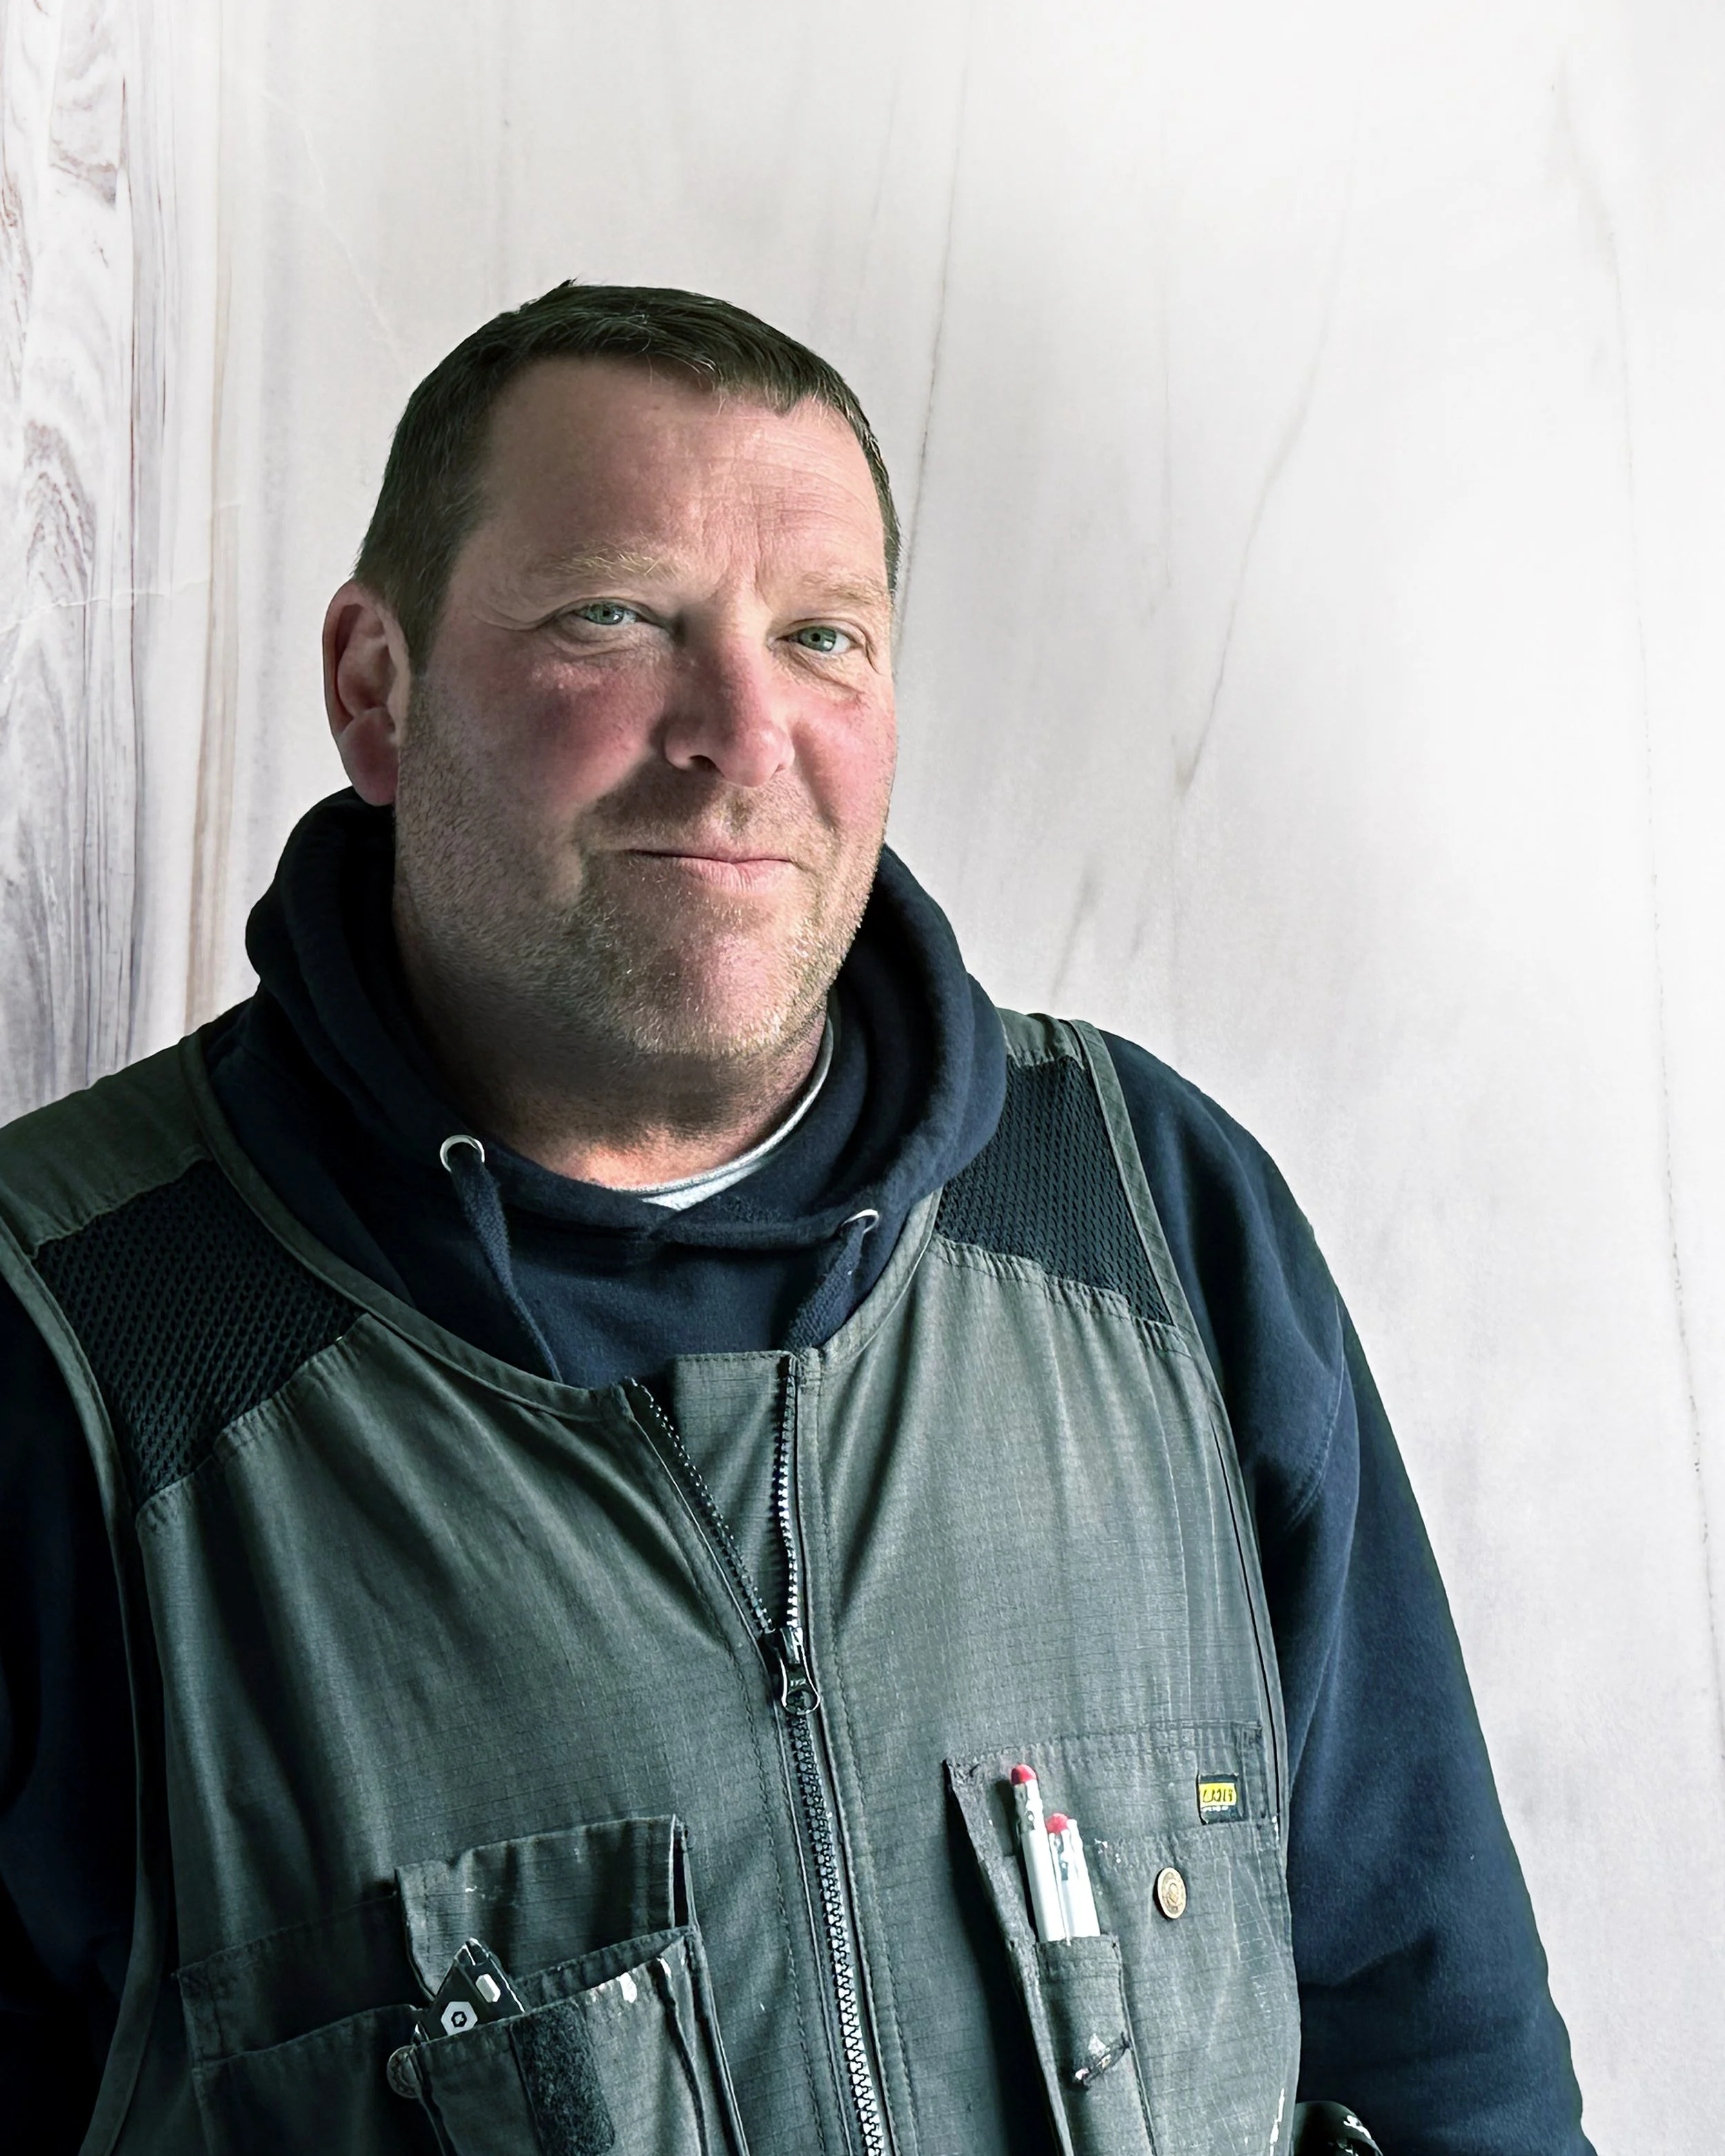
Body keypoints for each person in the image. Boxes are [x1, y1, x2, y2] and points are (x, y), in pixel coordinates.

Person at [0, 283, 1591, 2156]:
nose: (742, 730)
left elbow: (1440, 2048)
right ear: (377, 687)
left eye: (821, 636)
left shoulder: (1146, 1220)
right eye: (617, 615)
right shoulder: (85, 1343)